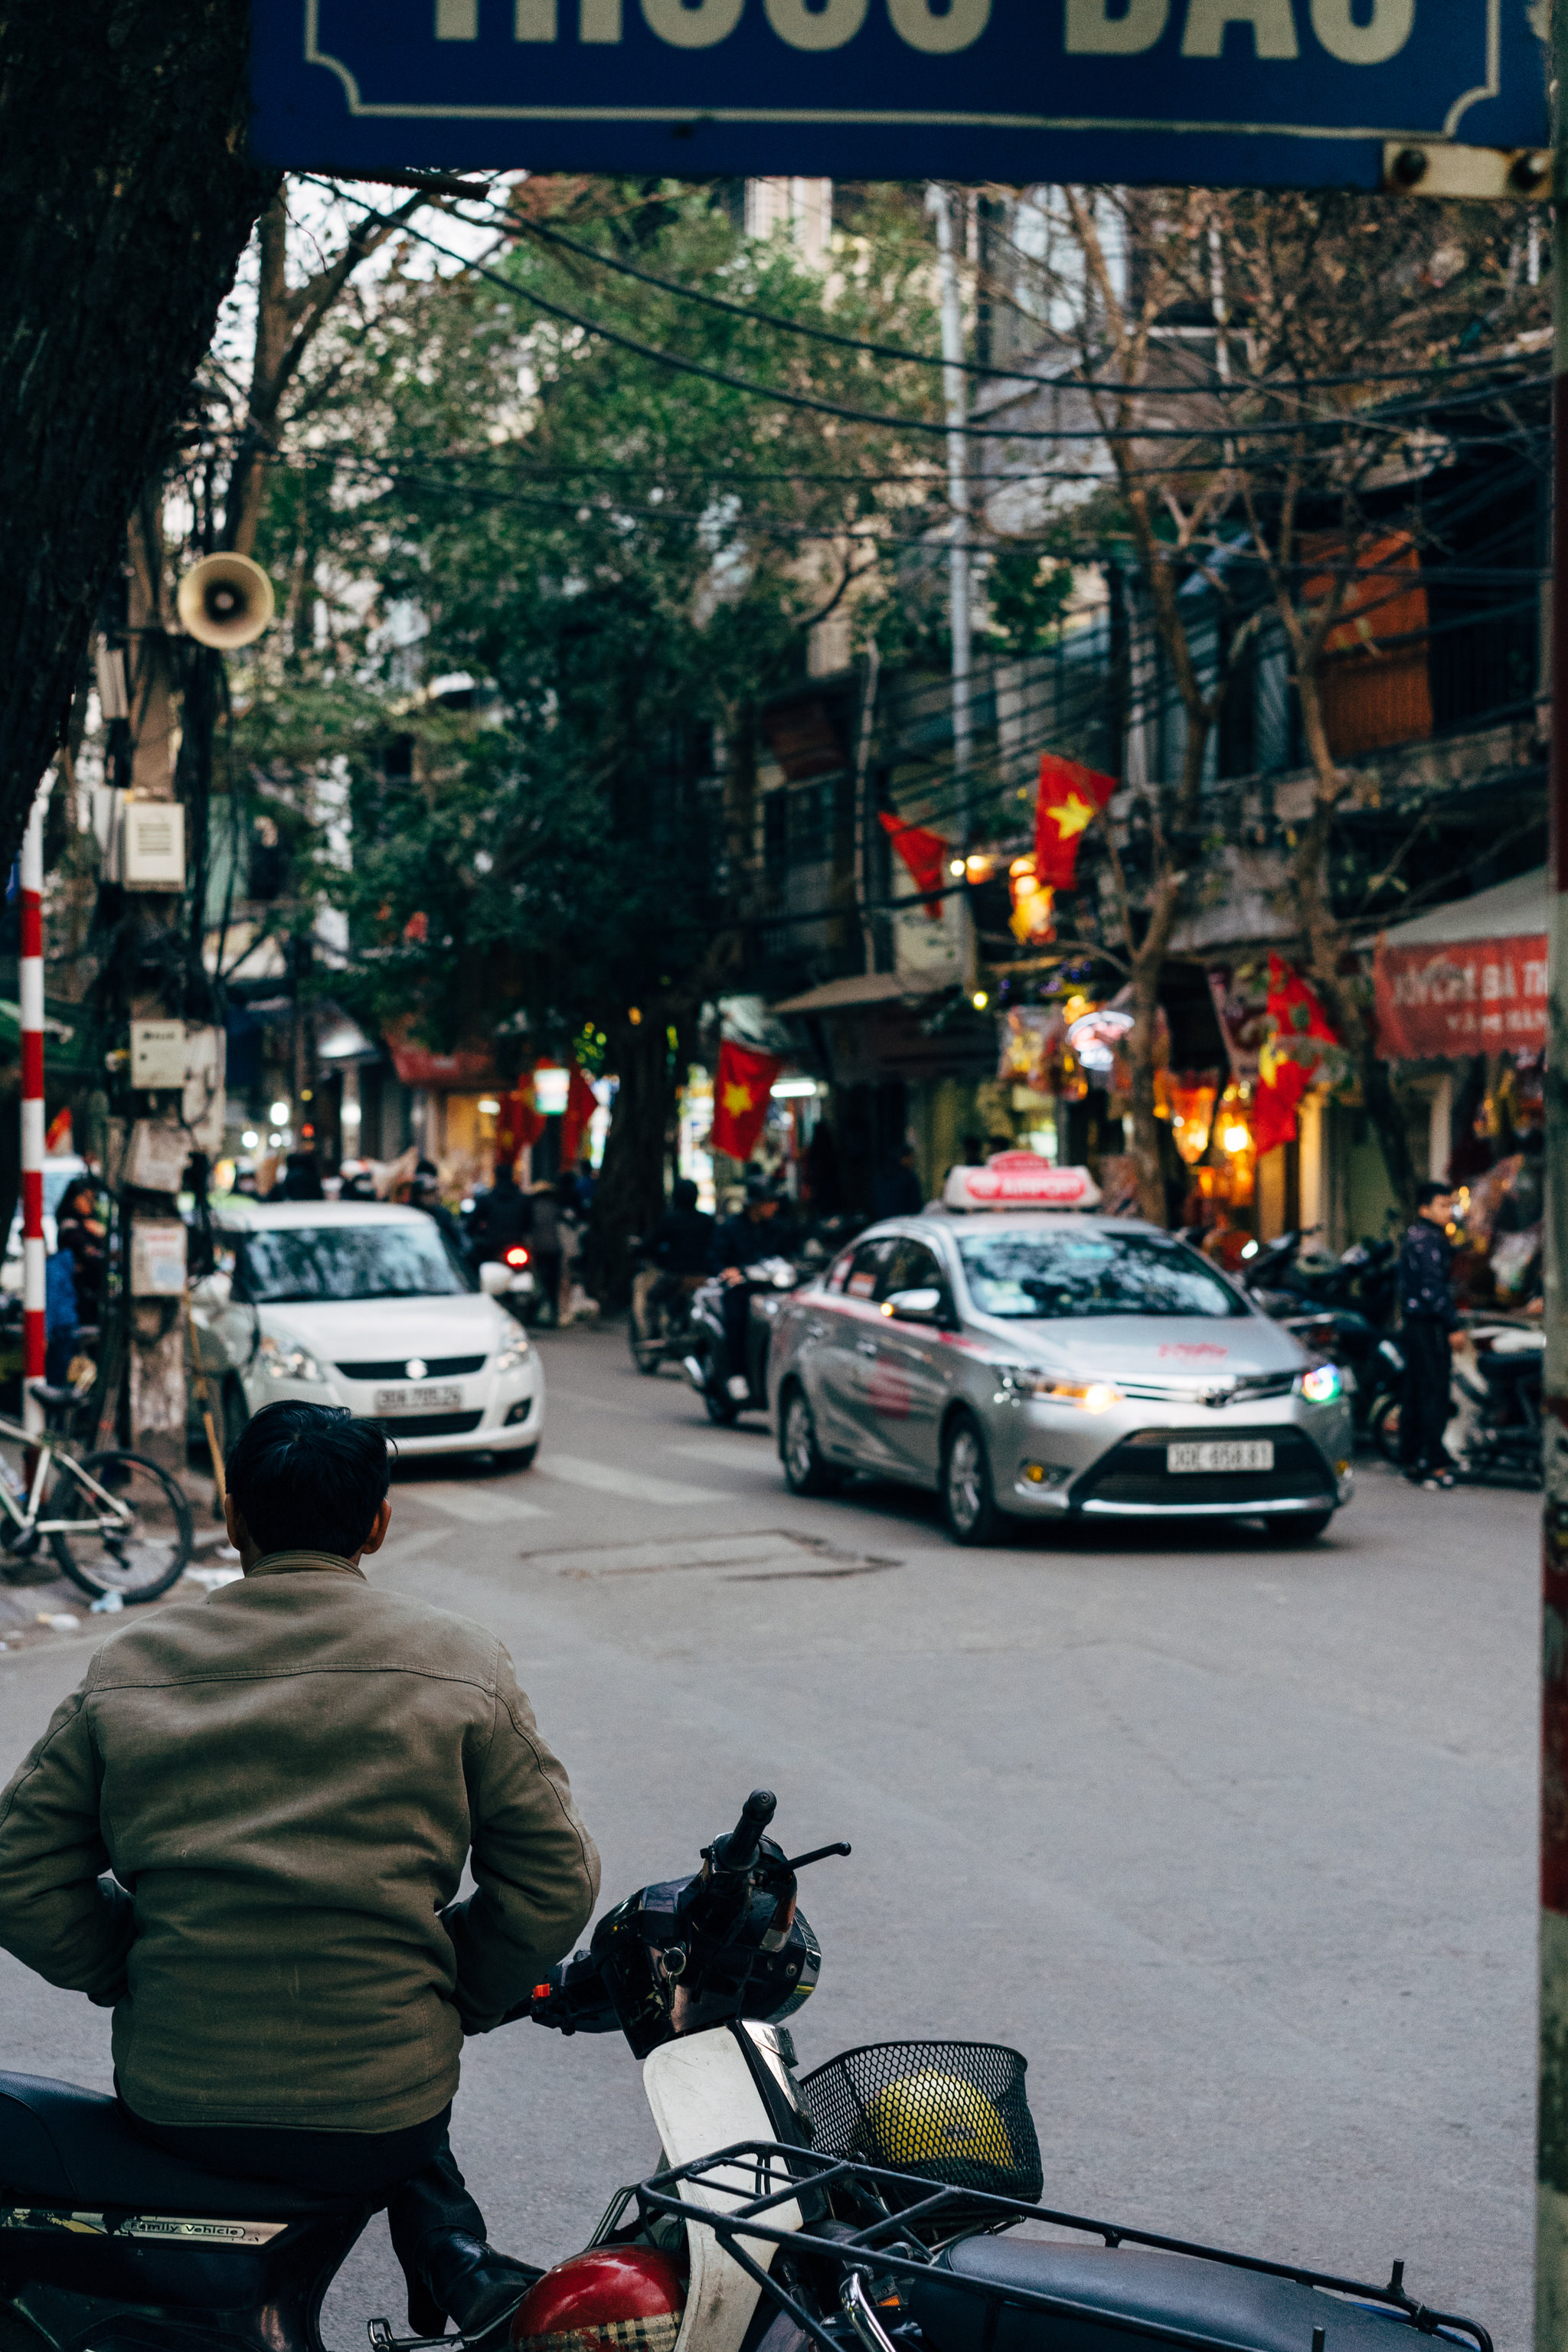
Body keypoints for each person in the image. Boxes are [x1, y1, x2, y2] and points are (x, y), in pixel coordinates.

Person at [0, 1402, 599, 2339]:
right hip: (387, 2116)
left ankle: (444, 2248)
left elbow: (18, 1872)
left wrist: (129, 1961)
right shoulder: (460, 1663)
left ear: (234, 1518)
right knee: (399, 2103)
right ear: (377, 1524)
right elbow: (555, 1880)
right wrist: (453, 1992)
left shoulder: (128, 1665)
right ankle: (449, 2248)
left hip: (178, 2111)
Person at [1397, 1179, 1462, 1489]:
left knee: (1416, 1390)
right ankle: (1432, 1462)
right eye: (1443, 1205)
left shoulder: (1418, 1236)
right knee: (1432, 1392)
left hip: (1416, 1325)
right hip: (1428, 1325)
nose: (1449, 1211)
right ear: (1425, 1209)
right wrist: (1452, 1325)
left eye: (1451, 1205)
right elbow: (1432, 1288)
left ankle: (1411, 1458)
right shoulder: (1428, 1241)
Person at [710, 1174, 785, 1400]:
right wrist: (730, 1271)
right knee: (736, 1319)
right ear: (756, 1204)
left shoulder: (778, 1229)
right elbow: (715, 1258)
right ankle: (736, 1373)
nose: (774, 1207)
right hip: (741, 1288)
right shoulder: (731, 1228)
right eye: (769, 1202)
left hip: (772, 1287)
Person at [633, 1179, 713, 1341]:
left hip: (675, 1275)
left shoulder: (669, 1220)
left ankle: (654, 1334)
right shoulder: (707, 1221)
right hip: (703, 1276)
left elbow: (651, 1243)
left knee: (652, 1298)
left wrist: (640, 1250)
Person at [54, 1178, 106, 1324]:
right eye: (86, 1198)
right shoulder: (70, 1226)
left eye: (93, 1198)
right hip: (77, 1292)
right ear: (74, 1198)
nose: (91, 1203)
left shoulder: (88, 1224)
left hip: (89, 1290)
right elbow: (87, 1253)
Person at [467, 1162, 531, 1264]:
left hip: (492, 1246)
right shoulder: (523, 1199)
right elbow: (529, 1223)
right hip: (516, 1245)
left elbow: (473, 1223)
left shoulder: (486, 1199)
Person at [873, 1140, 923, 1221]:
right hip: (904, 1223)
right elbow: (915, 1206)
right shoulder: (908, 1178)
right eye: (911, 1157)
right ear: (904, 1159)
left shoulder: (881, 1177)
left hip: (883, 1223)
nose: (913, 1161)